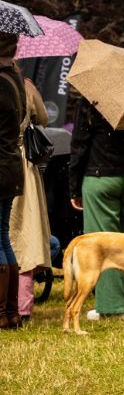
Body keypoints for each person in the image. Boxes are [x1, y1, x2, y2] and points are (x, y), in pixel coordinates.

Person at [68, 91, 124, 322]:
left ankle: (113, 306)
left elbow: (79, 145)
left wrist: (74, 188)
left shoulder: (88, 101)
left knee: (104, 245)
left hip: (100, 178)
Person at [10, 77, 51, 324]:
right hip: (21, 164)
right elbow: (43, 118)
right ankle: (22, 307)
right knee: (24, 234)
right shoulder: (23, 84)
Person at [0, 36, 25, 329]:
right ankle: (11, 311)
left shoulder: (2, 82)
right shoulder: (15, 79)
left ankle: (4, 313)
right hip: (10, 164)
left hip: (1, 165)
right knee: (3, 236)